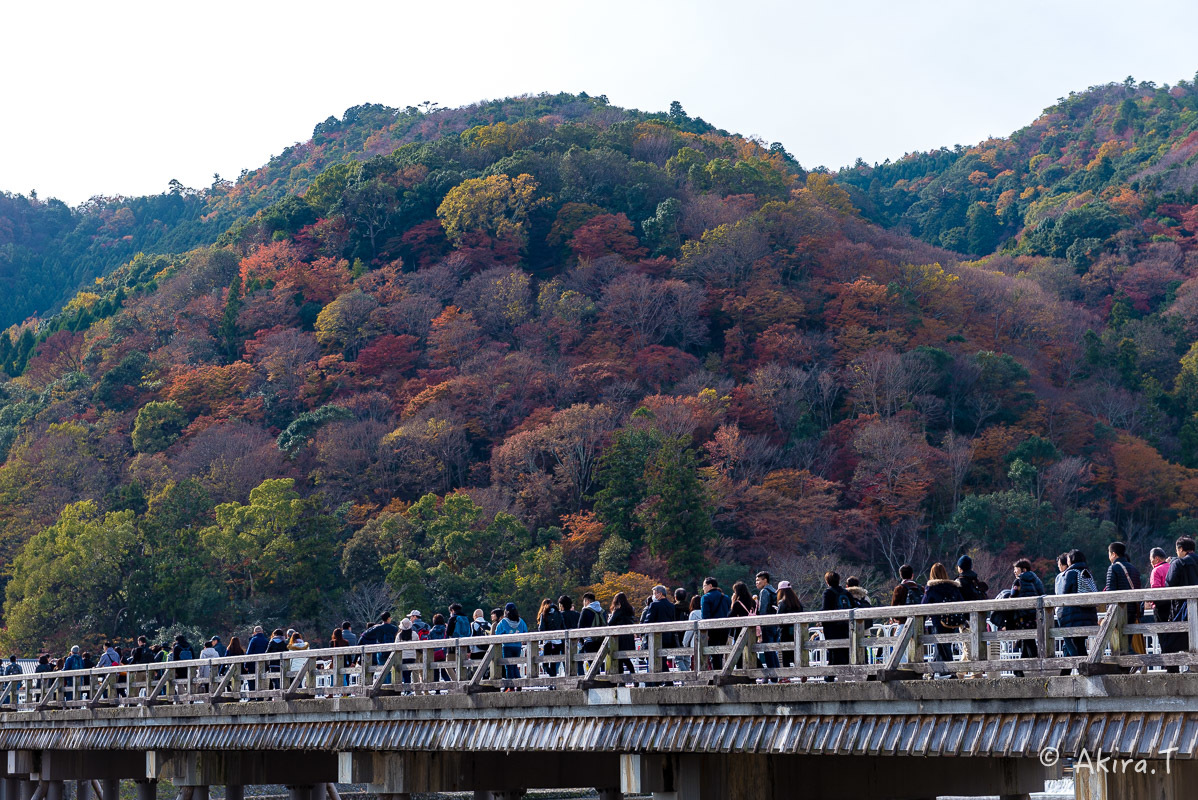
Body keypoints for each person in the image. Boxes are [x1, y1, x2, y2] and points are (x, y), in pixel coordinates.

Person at [922, 562, 966, 675]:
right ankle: (930, 673)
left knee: (942, 646)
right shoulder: (953, 587)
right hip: (952, 621)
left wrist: (920, 624)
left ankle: (948, 673)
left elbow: (923, 606)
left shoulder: (931, 588)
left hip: (938, 621)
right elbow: (961, 602)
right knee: (943, 646)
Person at [1162, 537, 1198, 666]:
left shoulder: (1178, 563)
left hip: (1184, 610)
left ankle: (1173, 674)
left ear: (1181, 549)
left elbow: (1169, 585)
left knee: (1171, 644)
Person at [1058, 549, 1099, 661]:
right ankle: (1084, 667)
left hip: (1074, 616)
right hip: (1088, 615)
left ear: (1071, 559)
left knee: (1076, 645)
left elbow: (1064, 593)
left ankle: (1085, 668)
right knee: (1080, 644)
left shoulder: (1071, 573)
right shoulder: (1087, 572)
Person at [1104, 542, 1143, 657]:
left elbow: (1110, 592)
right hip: (1132, 610)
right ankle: (1130, 667)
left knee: (1120, 645)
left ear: (1114, 554)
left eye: (1109, 553)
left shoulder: (1113, 568)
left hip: (1119, 611)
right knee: (1126, 642)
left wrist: (1108, 611)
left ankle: (1137, 661)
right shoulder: (1134, 569)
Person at [1009, 558, 1044, 663]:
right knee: (1026, 641)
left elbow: (1012, 597)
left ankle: (1038, 665)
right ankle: (1020, 671)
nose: (1014, 571)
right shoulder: (1036, 579)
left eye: (1016, 569)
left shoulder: (1018, 581)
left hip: (1023, 617)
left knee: (1028, 641)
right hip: (1035, 616)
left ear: (1023, 569)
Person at [821, 572, 853, 678]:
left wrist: (823, 624)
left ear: (827, 581)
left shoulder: (828, 593)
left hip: (832, 627)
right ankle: (846, 673)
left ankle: (831, 675)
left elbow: (825, 610)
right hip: (846, 626)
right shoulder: (846, 592)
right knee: (845, 649)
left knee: (833, 649)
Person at [644, 585, 678, 677]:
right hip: (668, 636)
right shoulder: (671, 606)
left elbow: (648, 620)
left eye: (654, 593)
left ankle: (666, 680)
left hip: (656, 637)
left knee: (658, 660)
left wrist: (641, 631)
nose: (653, 596)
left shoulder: (654, 605)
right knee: (663, 659)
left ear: (660, 594)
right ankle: (665, 680)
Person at [700, 577, 732, 669]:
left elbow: (705, 617)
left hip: (712, 630)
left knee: (713, 654)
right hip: (724, 629)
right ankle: (720, 674)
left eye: (704, 586)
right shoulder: (726, 598)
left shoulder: (706, 598)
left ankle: (715, 676)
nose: (703, 588)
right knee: (720, 653)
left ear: (710, 586)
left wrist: (707, 632)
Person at [493, 603, 527, 684]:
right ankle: (519, 684)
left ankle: (510, 686)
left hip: (507, 646)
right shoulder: (521, 621)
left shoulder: (503, 622)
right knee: (514, 665)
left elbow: (497, 633)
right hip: (518, 646)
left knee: (508, 666)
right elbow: (525, 631)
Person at [754, 571, 781, 671]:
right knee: (773, 650)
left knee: (768, 650)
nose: (756, 583)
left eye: (758, 580)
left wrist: (760, 625)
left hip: (767, 624)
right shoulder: (774, 591)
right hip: (775, 624)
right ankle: (778, 674)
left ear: (765, 580)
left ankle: (772, 675)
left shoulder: (764, 591)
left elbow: (763, 610)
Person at [607, 592, 637, 679]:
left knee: (619, 658)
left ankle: (621, 680)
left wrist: (611, 615)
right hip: (629, 637)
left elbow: (610, 623)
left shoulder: (618, 611)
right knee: (626, 658)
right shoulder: (630, 610)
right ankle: (634, 677)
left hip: (620, 638)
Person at [776, 581, 803, 671]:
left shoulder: (782, 603)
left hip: (785, 633)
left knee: (786, 655)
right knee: (797, 654)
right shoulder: (798, 603)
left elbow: (778, 619)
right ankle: (801, 673)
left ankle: (786, 677)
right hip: (797, 633)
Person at [578, 592, 605, 675]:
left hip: (589, 641)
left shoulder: (586, 611)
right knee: (598, 663)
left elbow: (580, 627)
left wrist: (581, 641)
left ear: (587, 601)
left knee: (588, 662)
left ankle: (593, 681)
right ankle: (599, 680)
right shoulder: (602, 611)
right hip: (601, 640)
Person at [537, 598, 565, 677]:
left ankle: (552, 677)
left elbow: (541, 628)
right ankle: (553, 683)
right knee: (553, 663)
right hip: (558, 642)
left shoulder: (544, 614)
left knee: (545, 665)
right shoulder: (559, 613)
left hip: (548, 642)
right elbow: (563, 626)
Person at [1146, 547, 1170, 623]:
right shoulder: (1172, 567)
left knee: (1162, 632)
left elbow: (1155, 590)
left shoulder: (1156, 570)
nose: (1151, 563)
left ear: (1156, 558)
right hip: (1173, 605)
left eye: (1151, 560)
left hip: (1161, 607)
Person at [679, 596, 702, 672]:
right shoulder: (706, 612)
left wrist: (685, 643)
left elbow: (690, 630)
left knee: (695, 665)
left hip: (695, 642)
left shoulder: (694, 613)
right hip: (706, 641)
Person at [427, 614, 449, 683]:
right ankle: (450, 686)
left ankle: (437, 690)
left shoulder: (431, 632)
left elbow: (429, 643)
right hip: (444, 653)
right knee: (445, 671)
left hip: (434, 654)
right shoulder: (446, 630)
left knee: (435, 672)